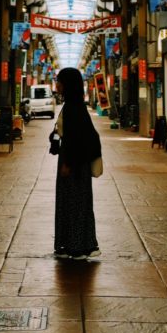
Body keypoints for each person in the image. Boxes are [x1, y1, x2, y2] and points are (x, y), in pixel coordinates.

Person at [52, 67, 102, 260]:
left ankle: (81, 247)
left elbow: (76, 138)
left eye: (60, 81)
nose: (57, 85)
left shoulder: (74, 107)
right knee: (71, 202)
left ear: (68, 84)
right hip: (72, 159)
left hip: (74, 163)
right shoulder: (73, 104)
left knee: (76, 203)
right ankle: (69, 244)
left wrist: (68, 163)